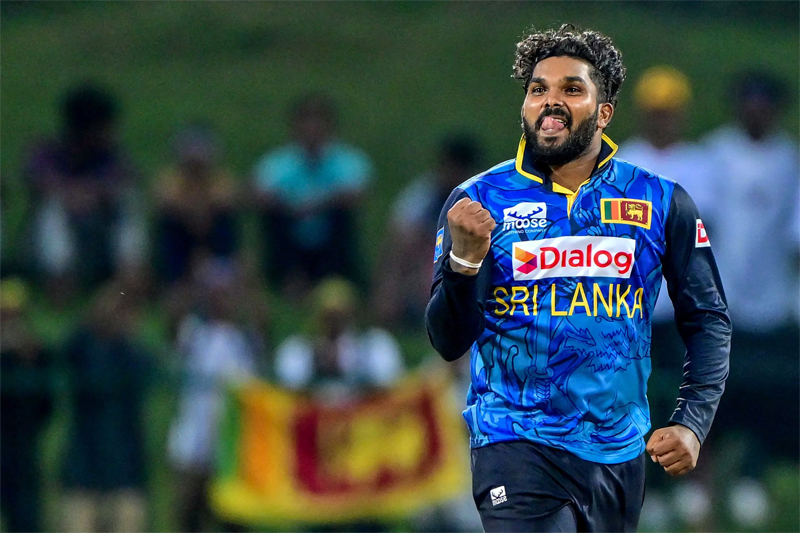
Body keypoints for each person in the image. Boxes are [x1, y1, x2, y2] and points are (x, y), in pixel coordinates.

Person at [425, 24, 731, 532]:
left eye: (571, 89)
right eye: (538, 89)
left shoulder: (659, 200)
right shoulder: (477, 201)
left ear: (604, 112)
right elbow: (447, 341)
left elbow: (708, 319)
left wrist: (692, 422)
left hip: (617, 451)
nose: (551, 101)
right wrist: (463, 264)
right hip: (513, 440)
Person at [700, 70, 799, 528]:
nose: (757, 111)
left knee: (765, 398)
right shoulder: (716, 154)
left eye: (765, 103)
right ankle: (698, 484)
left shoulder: (789, 160)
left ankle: (750, 479)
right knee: (709, 394)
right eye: (750, 101)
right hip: (725, 300)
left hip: (773, 303)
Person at [24, 84, 146, 301]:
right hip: (54, 243)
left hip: (98, 238)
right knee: (51, 206)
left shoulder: (111, 158)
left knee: (127, 200)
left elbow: (126, 179)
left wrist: (88, 195)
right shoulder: (49, 153)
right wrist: (75, 195)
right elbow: (39, 180)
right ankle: (59, 278)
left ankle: (130, 274)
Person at [252, 93, 372, 298]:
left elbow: (356, 193)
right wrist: (292, 207)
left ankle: (332, 276)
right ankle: (289, 277)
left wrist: (316, 205)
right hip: (292, 232)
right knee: (275, 218)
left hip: (327, 234)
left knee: (340, 215)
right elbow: (259, 194)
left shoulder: (348, 160)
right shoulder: (278, 163)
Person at [60, 280, 153, 532]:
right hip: (84, 467)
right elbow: (67, 350)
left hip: (126, 468)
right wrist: (94, 321)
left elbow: (147, 366)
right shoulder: (83, 347)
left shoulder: (132, 352)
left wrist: (127, 335)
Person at [373, 134, 484, 331]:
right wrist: (388, 289)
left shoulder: (483, 198)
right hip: (429, 263)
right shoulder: (424, 196)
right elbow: (400, 238)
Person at [153, 122, 240, 286]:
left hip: (210, 231)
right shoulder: (171, 179)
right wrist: (194, 214)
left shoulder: (220, 178)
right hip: (183, 232)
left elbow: (226, 201)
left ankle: (222, 272)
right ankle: (175, 277)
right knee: (170, 224)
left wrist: (199, 213)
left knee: (224, 222)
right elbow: (165, 201)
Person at [0, 278, 55, 533]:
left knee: (25, 517)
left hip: (21, 447)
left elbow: (46, 404)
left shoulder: (33, 351)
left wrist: (28, 358)